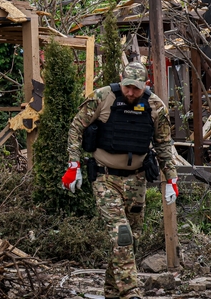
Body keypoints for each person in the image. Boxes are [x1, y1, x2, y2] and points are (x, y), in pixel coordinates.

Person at [62, 62, 179, 299]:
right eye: (127, 87)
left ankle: (111, 293)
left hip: (137, 180)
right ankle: (131, 293)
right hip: (105, 178)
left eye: (136, 89)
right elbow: (76, 128)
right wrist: (73, 165)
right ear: (121, 80)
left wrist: (172, 178)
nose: (130, 93)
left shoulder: (155, 106)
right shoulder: (102, 97)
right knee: (121, 235)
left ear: (145, 85)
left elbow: (164, 144)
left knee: (129, 241)